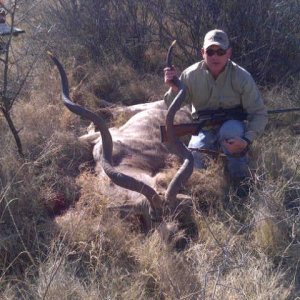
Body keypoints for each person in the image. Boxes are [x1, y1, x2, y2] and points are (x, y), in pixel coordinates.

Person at [164, 29, 268, 197]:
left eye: (220, 51)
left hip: (231, 126)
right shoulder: (190, 75)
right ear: (203, 53)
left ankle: (241, 186)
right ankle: (203, 197)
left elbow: (259, 113)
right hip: (203, 128)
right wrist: (174, 88)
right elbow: (170, 104)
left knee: (231, 133)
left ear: (229, 53)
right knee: (195, 159)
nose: (215, 56)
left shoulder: (242, 76)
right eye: (210, 51)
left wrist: (246, 140)